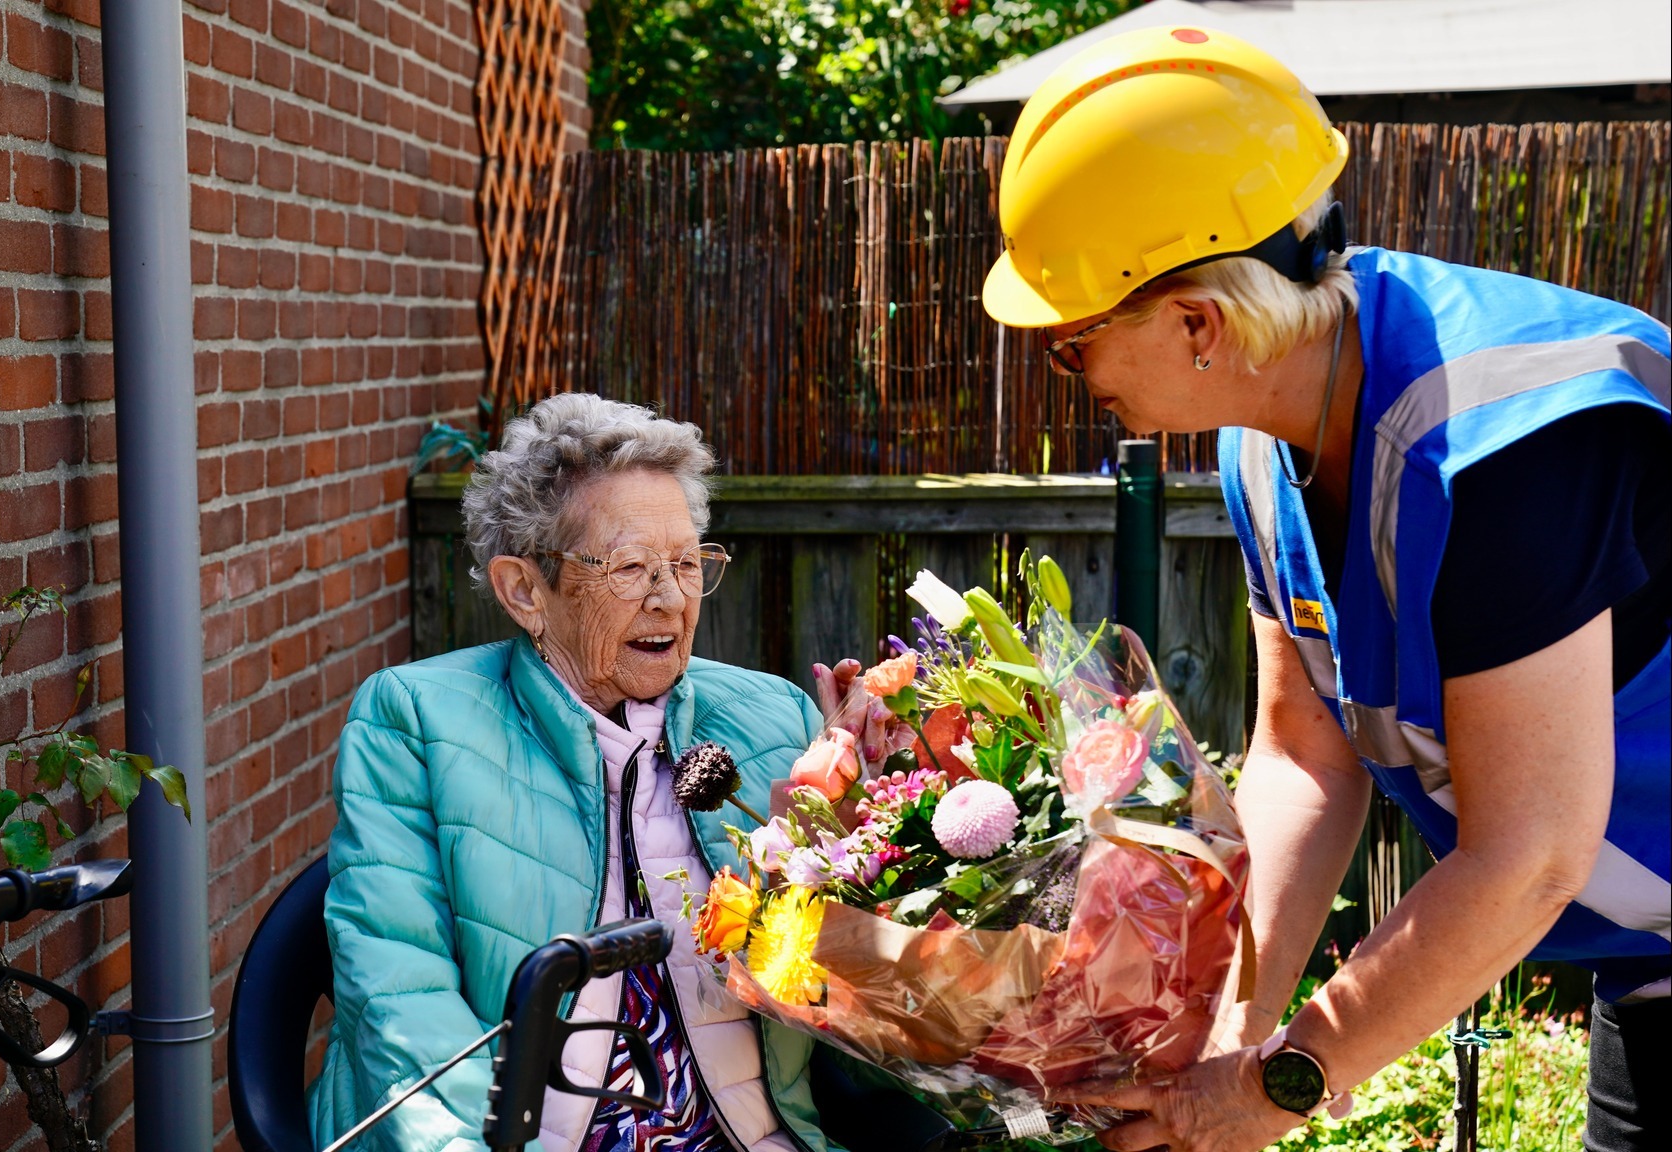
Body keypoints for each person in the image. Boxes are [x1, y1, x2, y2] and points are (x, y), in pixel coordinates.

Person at [978, 24, 1668, 1152]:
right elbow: (1303, 756)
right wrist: (1211, 1030)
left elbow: (1527, 854)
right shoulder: (1267, 435)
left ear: (1197, 321)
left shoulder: (1503, 450)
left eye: (1069, 343)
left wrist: (1281, 1083)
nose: (1071, 373)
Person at [308, 394, 857, 1152]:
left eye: (689, 562)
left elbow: (840, 1003)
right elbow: (401, 1001)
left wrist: (871, 828)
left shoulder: (775, 717)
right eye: (631, 567)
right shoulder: (418, 721)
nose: (670, 597)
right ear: (526, 590)